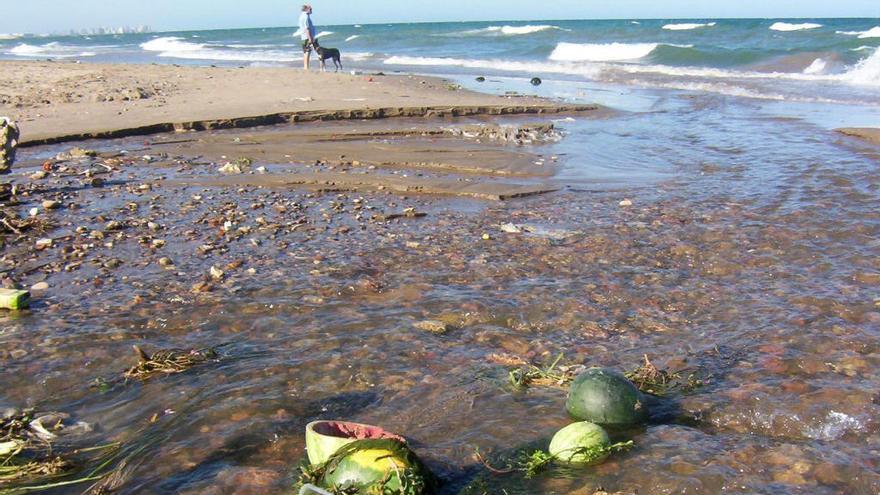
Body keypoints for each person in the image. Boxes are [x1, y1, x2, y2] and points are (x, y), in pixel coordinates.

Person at [299, 4, 317, 70]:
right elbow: (307, 29)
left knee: (305, 52)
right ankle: (306, 67)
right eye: (310, 8)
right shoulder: (305, 16)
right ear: (306, 9)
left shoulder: (302, 16)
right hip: (306, 37)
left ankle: (305, 67)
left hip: (303, 36)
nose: (311, 10)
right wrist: (310, 38)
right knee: (307, 52)